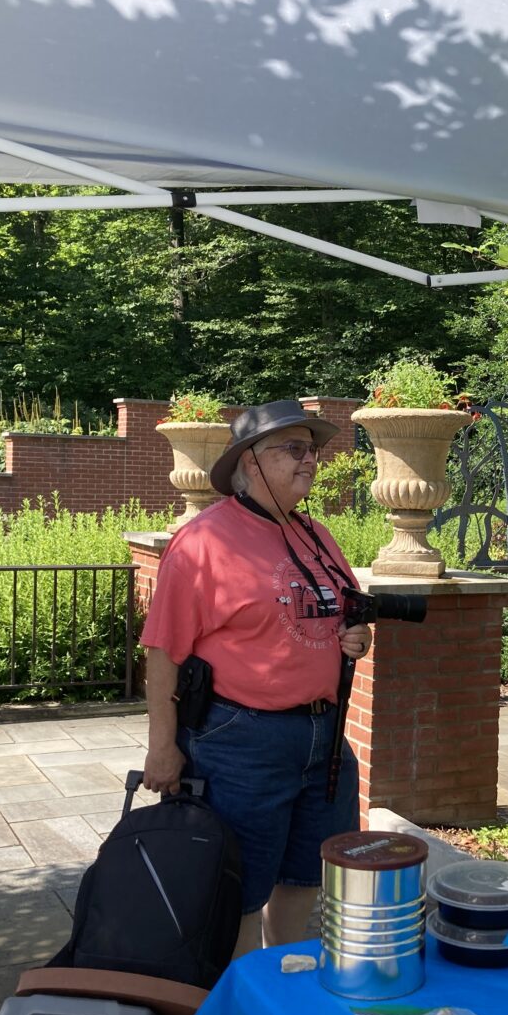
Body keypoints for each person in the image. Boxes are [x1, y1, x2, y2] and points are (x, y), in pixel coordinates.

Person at [139, 400, 371, 959]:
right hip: (241, 742)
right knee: (240, 891)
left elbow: (345, 614)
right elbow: (162, 652)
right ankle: (241, 1012)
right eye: (292, 448)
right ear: (251, 461)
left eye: (311, 449)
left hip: (322, 738)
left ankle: (284, 997)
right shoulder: (203, 543)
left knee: (304, 882)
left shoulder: (318, 535)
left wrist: (356, 638)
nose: (309, 460)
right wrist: (162, 748)